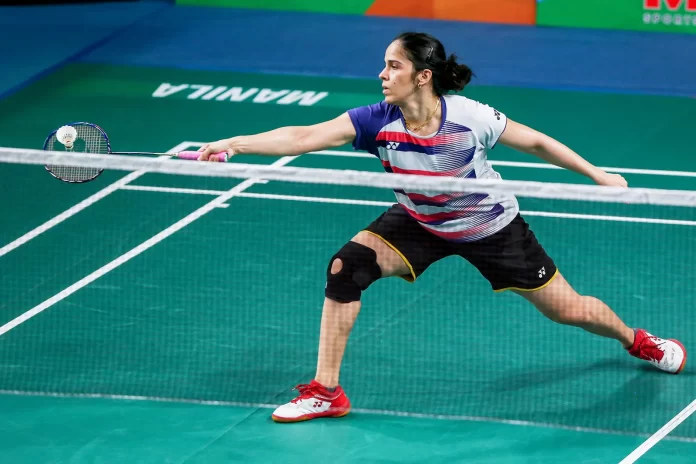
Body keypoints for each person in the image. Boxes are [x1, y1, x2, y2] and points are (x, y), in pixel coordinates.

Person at [198, 32, 687, 423]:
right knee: (346, 267)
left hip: (490, 226)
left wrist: (598, 175)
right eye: (385, 64)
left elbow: (535, 141)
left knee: (569, 310)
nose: (382, 74)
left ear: (423, 75)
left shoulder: (469, 117)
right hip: (420, 221)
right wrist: (234, 143)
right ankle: (326, 391)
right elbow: (302, 137)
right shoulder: (375, 121)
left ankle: (637, 340)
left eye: (394, 66)